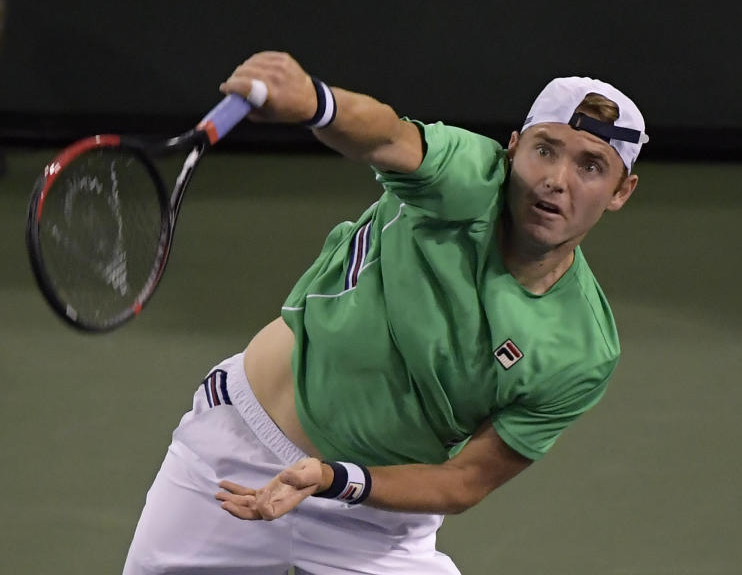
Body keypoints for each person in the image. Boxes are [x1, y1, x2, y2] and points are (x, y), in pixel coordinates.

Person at [123, 51, 649, 574]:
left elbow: (464, 481)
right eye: (545, 151)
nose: (557, 179)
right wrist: (316, 102)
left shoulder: (583, 348)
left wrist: (337, 480)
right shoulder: (466, 179)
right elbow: (389, 136)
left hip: (371, 518)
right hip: (233, 457)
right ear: (513, 150)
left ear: (621, 191)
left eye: (590, 166)